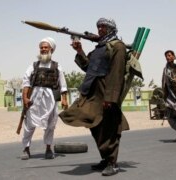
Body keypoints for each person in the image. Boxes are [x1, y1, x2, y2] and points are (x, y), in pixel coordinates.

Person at [59, 18, 129, 176]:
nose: (99, 29)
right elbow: (88, 67)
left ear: (111, 28)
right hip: (91, 91)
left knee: (108, 126)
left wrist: (110, 98)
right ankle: (105, 158)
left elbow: (116, 73)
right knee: (94, 125)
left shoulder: (118, 46)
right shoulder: (99, 48)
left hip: (105, 92)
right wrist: (79, 51)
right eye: (98, 26)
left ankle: (112, 162)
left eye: (103, 26)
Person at [21, 37, 68, 160]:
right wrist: (25, 98)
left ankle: (48, 148)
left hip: (50, 99)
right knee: (29, 124)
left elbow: (63, 84)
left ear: (51, 49)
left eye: (46, 47)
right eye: (41, 47)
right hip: (34, 98)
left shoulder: (57, 66)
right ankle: (26, 149)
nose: (43, 49)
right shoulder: (33, 65)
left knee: (50, 125)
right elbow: (26, 82)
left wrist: (64, 99)